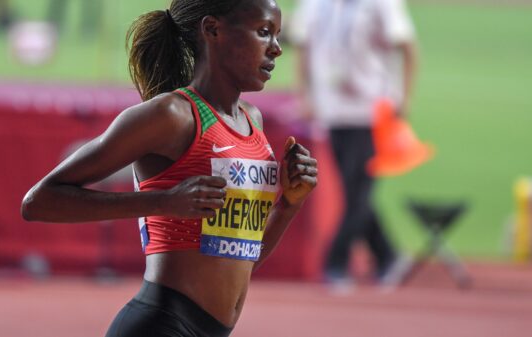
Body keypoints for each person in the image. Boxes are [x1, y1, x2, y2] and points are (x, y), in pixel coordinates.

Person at [21, 0, 318, 336]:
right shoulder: (171, 116)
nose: (277, 49)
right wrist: (162, 201)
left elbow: (241, 258)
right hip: (161, 325)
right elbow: (38, 201)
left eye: (278, 35)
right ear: (212, 30)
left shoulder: (253, 120)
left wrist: (289, 203)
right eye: (264, 32)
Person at [290, 0, 418, 290]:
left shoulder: (381, 4)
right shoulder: (315, 4)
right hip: (331, 110)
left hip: (369, 111)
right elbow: (303, 47)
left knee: (356, 189)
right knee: (354, 191)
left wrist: (405, 97)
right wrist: (304, 94)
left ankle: (335, 263)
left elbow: (407, 46)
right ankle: (389, 256)